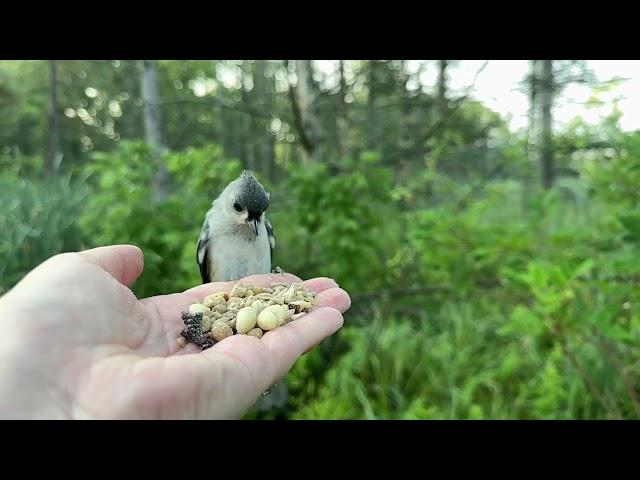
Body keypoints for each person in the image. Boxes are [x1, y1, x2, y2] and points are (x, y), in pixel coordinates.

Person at [0, 245, 350, 419]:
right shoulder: (213, 226)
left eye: (259, 217)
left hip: (254, 299)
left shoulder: (261, 226)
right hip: (223, 300)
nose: (253, 222)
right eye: (243, 211)